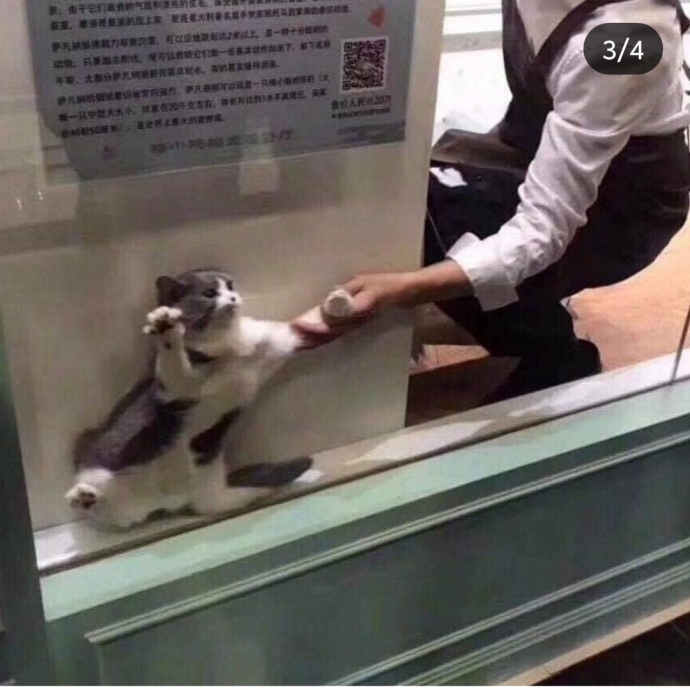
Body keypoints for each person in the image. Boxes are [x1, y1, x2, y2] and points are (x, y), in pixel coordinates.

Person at [295, 0, 690, 401]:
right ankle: (513, 302)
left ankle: (553, 356)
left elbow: (541, 232)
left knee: (441, 235)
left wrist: (407, 288)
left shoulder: (628, 38)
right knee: (414, 197)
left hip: (623, 208)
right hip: (536, 146)